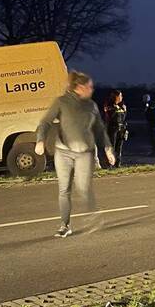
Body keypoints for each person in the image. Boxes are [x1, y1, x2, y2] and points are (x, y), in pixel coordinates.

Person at [36, 71, 115, 238]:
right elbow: (45, 122)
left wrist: (107, 148)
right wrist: (40, 140)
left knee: (83, 188)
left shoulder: (91, 106)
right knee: (64, 189)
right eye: (90, 87)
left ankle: (93, 216)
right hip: (63, 152)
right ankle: (65, 225)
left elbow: (100, 130)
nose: (92, 89)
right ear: (80, 87)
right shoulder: (62, 102)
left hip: (84, 153)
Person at [103, 90, 128, 168]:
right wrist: (114, 108)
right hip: (112, 128)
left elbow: (124, 117)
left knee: (119, 147)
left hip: (121, 129)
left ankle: (118, 164)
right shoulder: (109, 105)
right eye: (120, 96)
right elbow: (110, 116)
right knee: (111, 147)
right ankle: (110, 164)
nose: (122, 97)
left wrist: (124, 110)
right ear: (116, 97)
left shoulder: (122, 105)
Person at [142, 93, 155, 158]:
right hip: (152, 123)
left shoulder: (152, 104)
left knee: (154, 138)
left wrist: (154, 123)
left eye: (144, 98)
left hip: (154, 123)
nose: (143, 100)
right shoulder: (148, 104)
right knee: (152, 138)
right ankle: (154, 152)